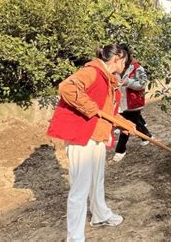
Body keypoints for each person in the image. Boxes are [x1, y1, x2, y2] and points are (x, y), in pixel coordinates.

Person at [47, 44, 135, 241]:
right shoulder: (92, 72)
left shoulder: (109, 81)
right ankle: (75, 237)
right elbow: (66, 87)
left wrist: (126, 124)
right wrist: (90, 107)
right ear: (118, 58)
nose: (127, 65)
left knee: (97, 180)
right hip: (81, 136)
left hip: (97, 136)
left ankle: (100, 215)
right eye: (126, 60)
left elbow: (109, 113)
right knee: (80, 186)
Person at [112, 45, 152, 162]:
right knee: (136, 122)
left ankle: (120, 150)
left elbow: (143, 83)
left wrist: (128, 82)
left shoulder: (137, 68)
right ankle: (147, 137)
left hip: (133, 102)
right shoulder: (120, 67)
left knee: (126, 125)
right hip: (124, 103)